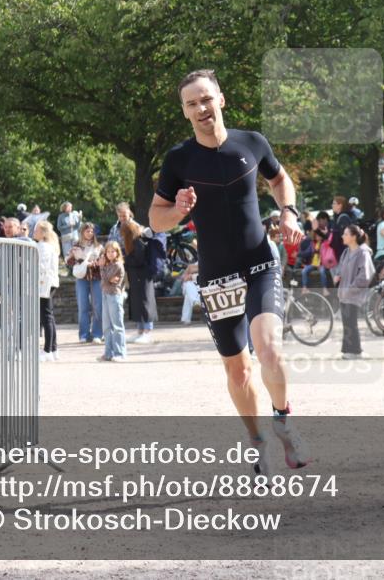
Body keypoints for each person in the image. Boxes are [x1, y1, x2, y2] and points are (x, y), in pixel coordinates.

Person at [149, 68, 308, 474]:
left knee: (269, 349)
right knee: (239, 371)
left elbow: (280, 179)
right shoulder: (179, 160)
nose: (201, 108)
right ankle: (257, 443)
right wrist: (178, 210)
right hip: (216, 277)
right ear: (185, 112)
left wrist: (288, 212)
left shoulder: (251, 142)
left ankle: (284, 421)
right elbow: (155, 219)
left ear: (220, 99)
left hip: (259, 263)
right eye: (191, 103)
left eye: (206, 99)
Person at [335, 224, 374, 359]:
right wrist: (338, 275)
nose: (343, 236)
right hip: (344, 293)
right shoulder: (346, 252)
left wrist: (352, 288)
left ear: (353, 237)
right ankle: (348, 350)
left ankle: (356, 351)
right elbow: (340, 267)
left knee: (351, 322)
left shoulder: (363, 252)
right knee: (347, 322)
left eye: (346, 234)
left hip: (354, 293)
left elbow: (366, 274)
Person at [65, 222, 104, 344]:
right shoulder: (76, 245)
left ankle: (97, 334)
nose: (90, 233)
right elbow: (69, 263)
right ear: (82, 232)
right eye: (88, 231)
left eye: (92, 231)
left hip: (96, 278)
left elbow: (103, 262)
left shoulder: (99, 247)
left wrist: (93, 262)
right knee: (83, 307)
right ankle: (84, 334)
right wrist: (73, 256)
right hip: (82, 279)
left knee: (98, 306)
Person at [121, 222, 157, 344]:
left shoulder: (138, 242)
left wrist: (125, 259)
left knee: (145, 303)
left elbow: (139, 260)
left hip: (143, 278)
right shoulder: (135, 243)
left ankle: (147, 331)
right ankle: (140, 331)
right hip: (136, 278)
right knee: (138, 304)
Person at [33, 220, 60, 362]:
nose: (34, 232)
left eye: (36, 230)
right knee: (49, 316)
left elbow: (41, 266)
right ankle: (53, 348)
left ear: (43, 232)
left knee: (46, 317)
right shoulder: (48, 246)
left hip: (45, 284)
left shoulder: (43, 246)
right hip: (49, 283)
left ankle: (47, 349)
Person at [98, 240, 127, 362]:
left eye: (112, 251)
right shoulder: (106, 265)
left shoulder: (117, 265)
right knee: (106, 326)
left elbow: (105, 280)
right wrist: (103, 269)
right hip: (105, 294)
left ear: (117, 253)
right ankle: (108, 352)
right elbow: (105, 281)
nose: (110, 254)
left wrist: (101, 267)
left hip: (114, 295)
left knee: (117, 325)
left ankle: (120, 353)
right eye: (107, 252)